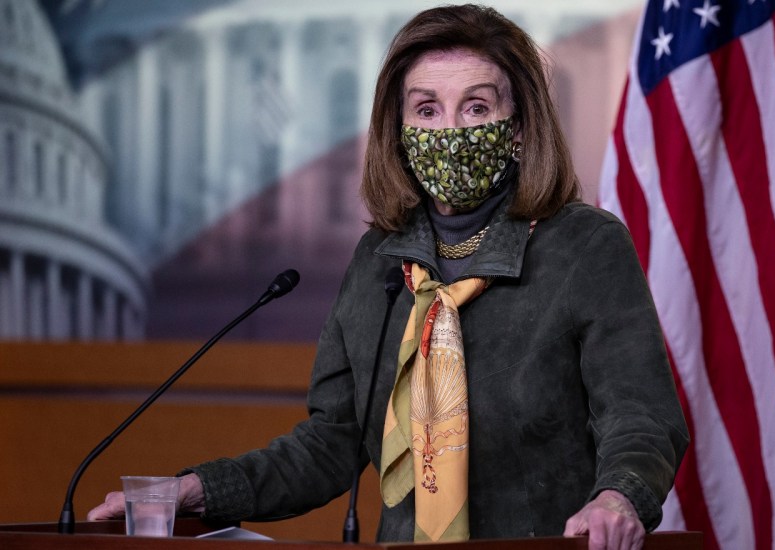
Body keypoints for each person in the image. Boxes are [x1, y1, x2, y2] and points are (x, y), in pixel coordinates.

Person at [89, 5, 688, 550]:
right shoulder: (378, 259)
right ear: (398, 132)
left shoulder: (584, 246)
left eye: (477, 107)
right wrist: (199, 491)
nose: (450, 129)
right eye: (426, 109)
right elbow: (332, 443)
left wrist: (619, 497)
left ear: (521, 126)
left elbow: (641, 418)